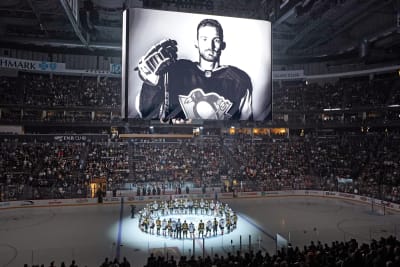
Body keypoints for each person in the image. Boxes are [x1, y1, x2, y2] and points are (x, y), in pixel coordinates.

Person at [136, 18, 252, 121]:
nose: (210, 46)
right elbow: (145, 112)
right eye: (204, 39)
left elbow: (246, 121)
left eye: (216, 40)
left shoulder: (238, 80)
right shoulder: (178, 70)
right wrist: (151, 83)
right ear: (197, 43)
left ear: (222, 44)